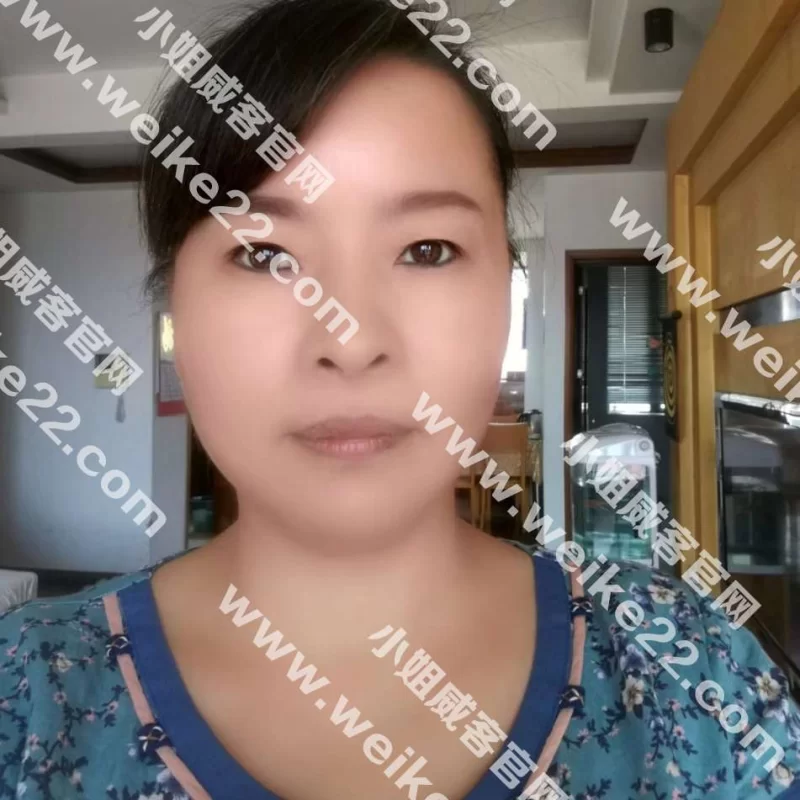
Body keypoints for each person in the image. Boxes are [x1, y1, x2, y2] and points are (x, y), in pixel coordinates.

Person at [1, 0, 799, 798]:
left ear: (506, 292)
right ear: (171, 302)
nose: (350, 339)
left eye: (427, 249)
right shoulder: (29, 691)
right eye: (266, 255)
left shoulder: (690, 671)